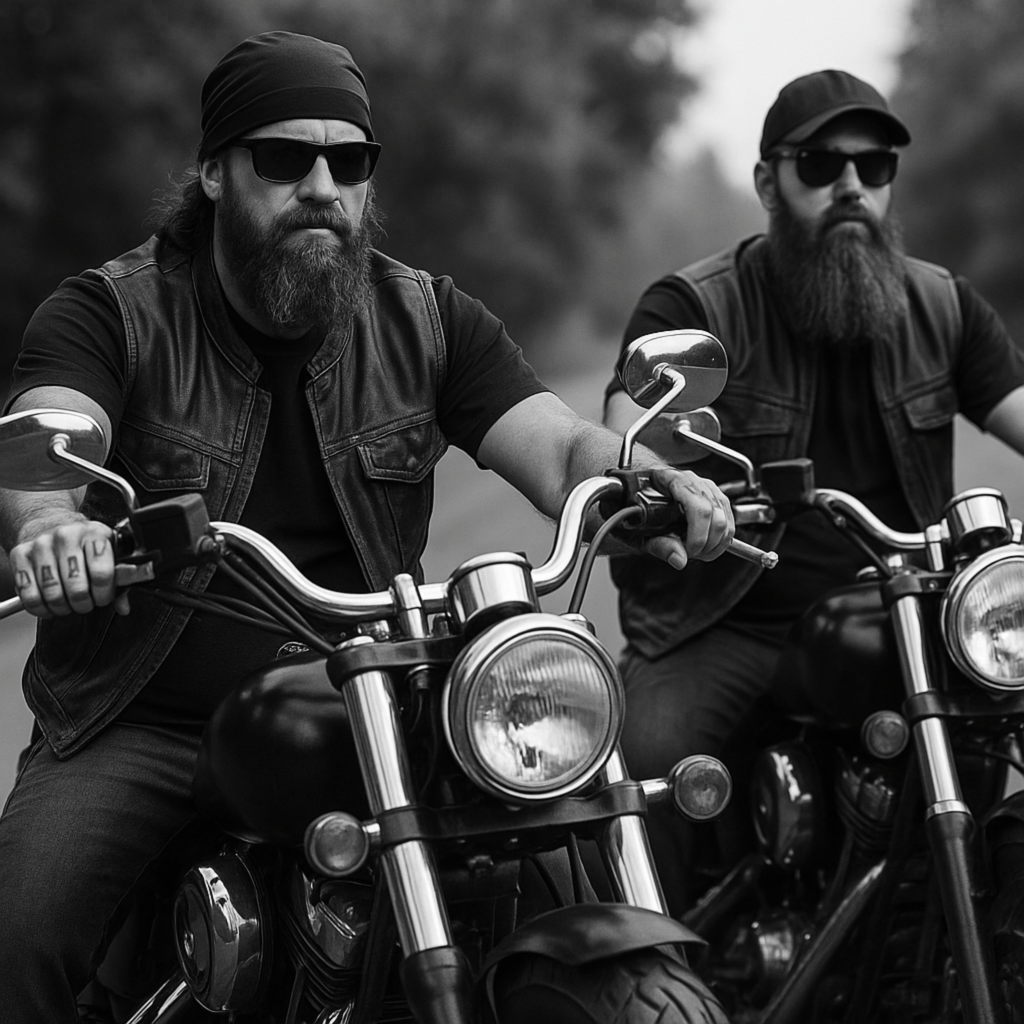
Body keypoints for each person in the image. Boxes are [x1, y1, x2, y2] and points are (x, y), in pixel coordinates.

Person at [0, 31, 735, 1020]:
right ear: (214, 173)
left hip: (375, 696)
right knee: (20, 937)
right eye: (283, 158)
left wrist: (643, 477)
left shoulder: (424, 319)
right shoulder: (113, 314)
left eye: (349, 162)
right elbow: (50, 439)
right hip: (147, 718)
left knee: (563, 852)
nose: (322, 186)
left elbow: (561, 448)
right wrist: (53, 525)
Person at [603, 68, 1024, 914]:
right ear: (770, 183)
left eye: (875, 166)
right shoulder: (697, 307)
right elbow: (624, 440)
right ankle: (656, 961)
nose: (852, 185)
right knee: (648, 765)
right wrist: (658, 480)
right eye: (822, 163)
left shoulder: (942, 307)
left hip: (904, 614)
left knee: (995, 726)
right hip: (730, 620)